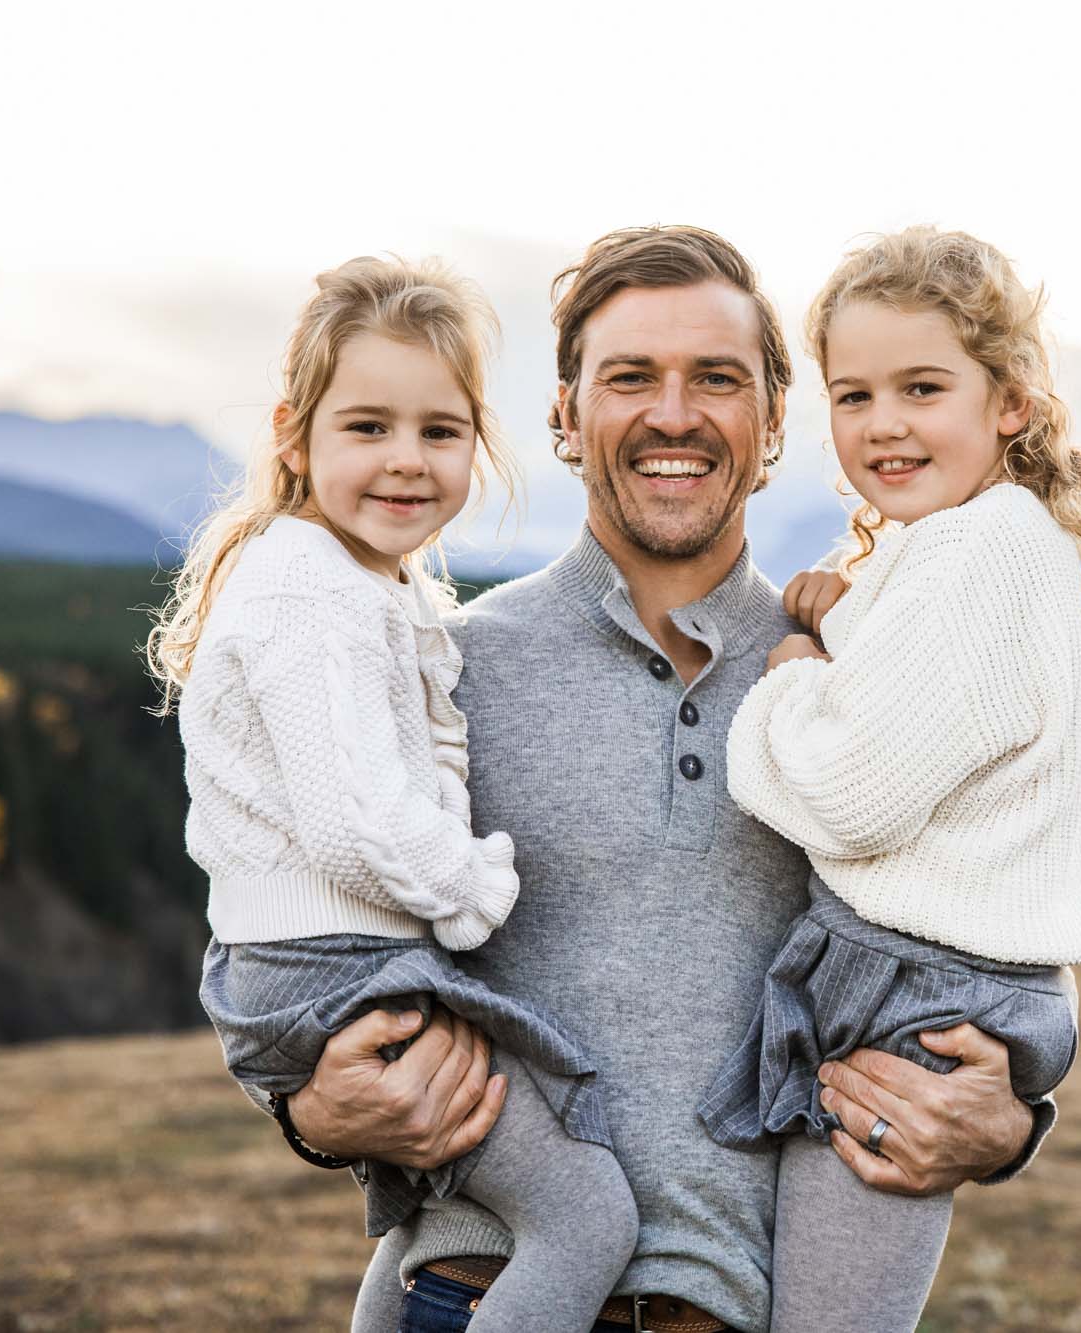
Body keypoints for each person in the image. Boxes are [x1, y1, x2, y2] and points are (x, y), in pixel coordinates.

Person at [279, 227, 1066, 1333]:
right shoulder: (443, 666)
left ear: (774, 419)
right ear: (564, 412)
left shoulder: (864, 676)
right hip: (470, 1293)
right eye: (630, 377)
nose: (674, 414)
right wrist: (308, 1104)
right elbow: (303, 933)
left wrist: (1011, 1122)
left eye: (717, 379)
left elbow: (997, 910)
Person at [149, 256, 640, 1332]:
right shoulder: (307, 588)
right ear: (295, 434)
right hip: (334, 967)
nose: (406, 462)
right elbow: (351, 817)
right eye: (366, 426)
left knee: (438, 1217)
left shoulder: (369, 581)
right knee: (583, 1216)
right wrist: (471, 891)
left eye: (439, 431)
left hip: (326, 963)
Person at [698, 226, 1081, 1331]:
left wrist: (789, 675)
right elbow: (935, 699)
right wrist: (842, 616)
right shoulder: (968, 541)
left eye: (921, 387)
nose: (882, 423)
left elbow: (850, 793)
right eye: (853, 396)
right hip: (927, 979)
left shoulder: (978, 551)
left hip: (914, 1001)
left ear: (1011, 404)